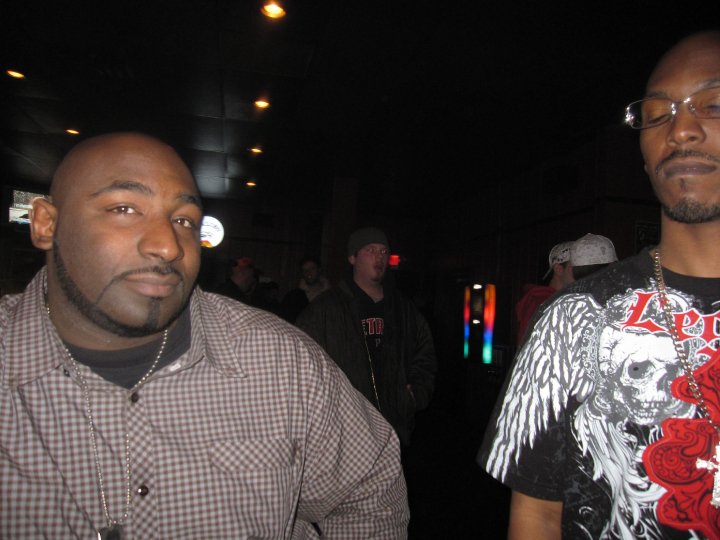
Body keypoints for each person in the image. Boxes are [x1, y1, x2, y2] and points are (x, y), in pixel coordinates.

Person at [1, 133, 409, 538]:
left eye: (184, 221)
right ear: (46, 224)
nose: (168, 246)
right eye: (125, 208)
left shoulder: (281, 362)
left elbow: (371, 491)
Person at [478, 31, 720, 539]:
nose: (680, 129)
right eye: (657, 113)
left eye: (714, 104)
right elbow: (537, 516)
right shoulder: (569, 318)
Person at [296, 227, 437, 447]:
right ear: (352, 257)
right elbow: (300, 360)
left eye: (383, 251)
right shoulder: (325, 309)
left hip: (394, 431)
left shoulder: (404, 309)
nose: (379, 257)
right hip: (342, 433)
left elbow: (425, 352)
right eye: (370, 250)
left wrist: (414, 395)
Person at [514, 241, 575, 344]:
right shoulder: (541, 303)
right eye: (575, 268)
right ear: (559, 269)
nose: (582, 272)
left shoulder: (563, 301)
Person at [213, 256, 279, 314]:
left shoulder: (220, 289)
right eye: (252, 275)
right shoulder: (237, 297)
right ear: (243, 273)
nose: (252, 280)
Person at [280, 257, 332, 323]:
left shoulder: (331, 296)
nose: (308, 272)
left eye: (312, 268)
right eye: (305, 270)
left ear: (319, 270)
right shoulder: (293, 297)